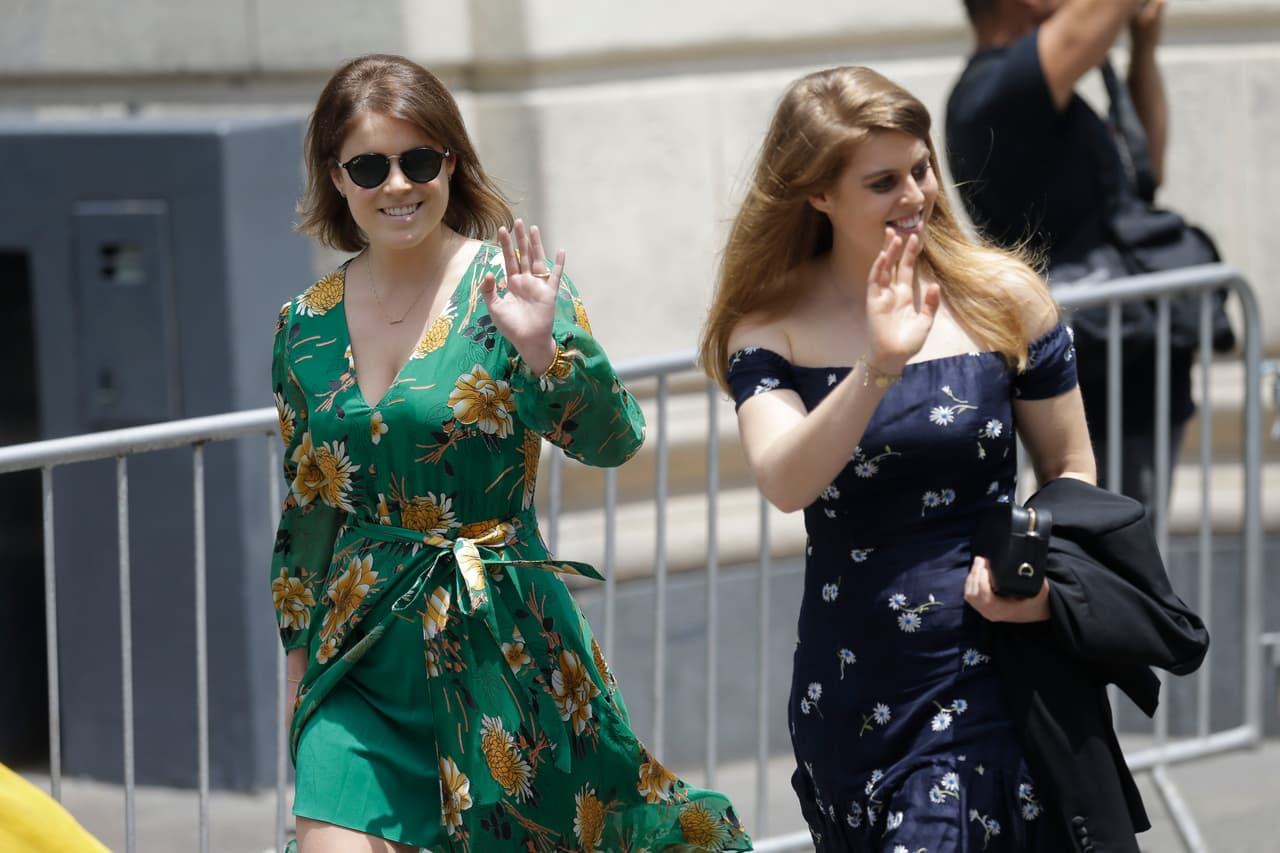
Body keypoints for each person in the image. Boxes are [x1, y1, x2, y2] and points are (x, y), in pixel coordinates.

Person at [272, 53, 749, 853]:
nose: (398, 184)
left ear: (451, 163)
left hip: (496, 638)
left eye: (419, 159)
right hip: (355, 654)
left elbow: (615, 438)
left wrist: (545, 354)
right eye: (370, 165)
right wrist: (298, 674)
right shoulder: (303, 325)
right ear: (337, 176)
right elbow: (308, 509)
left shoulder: (510, 287)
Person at [699, 65, 1097, 850]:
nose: (916, 194)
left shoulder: (1004, 295)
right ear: (818, 195)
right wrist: (877, 366)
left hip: (995, 653)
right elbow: (785, 478)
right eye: (883, 181)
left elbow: (1072, 467)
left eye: (922, 168)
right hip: (854, 680)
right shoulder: (769, 325)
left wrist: (1036, 573)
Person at [945, 0, 1205, 513]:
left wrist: (1145, 50)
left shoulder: (1041, 98)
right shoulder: (996, 95)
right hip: (1092, 377)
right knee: (1111, 556)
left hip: (1128, 362)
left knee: (1129, 550)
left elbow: (1147, 168)